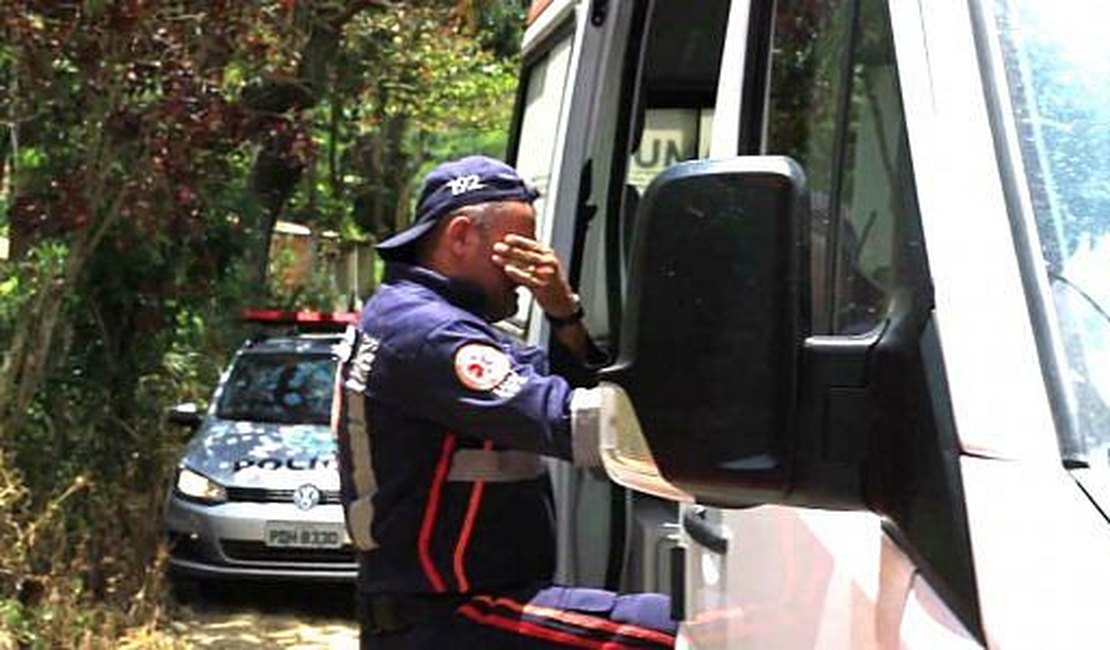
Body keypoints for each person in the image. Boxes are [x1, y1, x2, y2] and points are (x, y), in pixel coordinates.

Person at [333, 155, 676, 649]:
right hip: (451, 616)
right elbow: (567, 421)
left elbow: (548, 383)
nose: (530, 265)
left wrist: (564, 313)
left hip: (454, 610)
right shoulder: (428, 333)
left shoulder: (425, 318)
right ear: (460, 236)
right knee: (690, 633)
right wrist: (715, 432)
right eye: (518, 246)